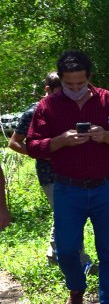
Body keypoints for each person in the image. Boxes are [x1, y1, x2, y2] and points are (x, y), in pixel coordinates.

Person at [25, 51, 109, 304]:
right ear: (60, 79)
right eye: (69, 84)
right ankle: (76, 290)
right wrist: (59, 141)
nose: (75, 89)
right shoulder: (47, 106)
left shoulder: (106, 99)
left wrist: (107, 136)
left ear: (89, 78)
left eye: (80, 84)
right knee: (65, 250)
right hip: (68, 189)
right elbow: (32, 145)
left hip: (105, 187)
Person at [8, 72, 92, 268]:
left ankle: (54, 256)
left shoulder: (66, 107)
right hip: (50, 174)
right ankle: (79, 262)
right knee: (68, 216)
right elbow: (14, 143)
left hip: (72, 171)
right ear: (48, 90)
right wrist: (40, 153)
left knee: (66, 215)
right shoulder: (33, 111)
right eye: (60, 90)